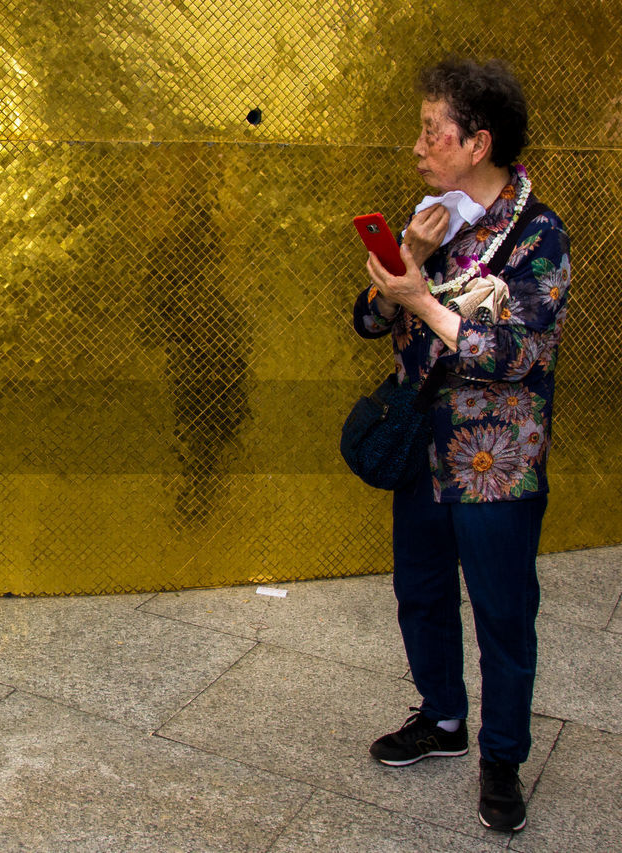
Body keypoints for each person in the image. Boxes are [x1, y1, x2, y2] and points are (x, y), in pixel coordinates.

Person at [354, 58, 569, 833]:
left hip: (497, 461)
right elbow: (370, 321)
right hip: (423, 449)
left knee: (505, 614)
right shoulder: (432, 217)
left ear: (476, 142)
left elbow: (519, 353)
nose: (417, 146)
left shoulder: (538, 236)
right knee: (421, 593)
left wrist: (420, 297)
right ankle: (443, 717)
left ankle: (503, 756)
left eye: (429, 131)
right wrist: (399, 269)